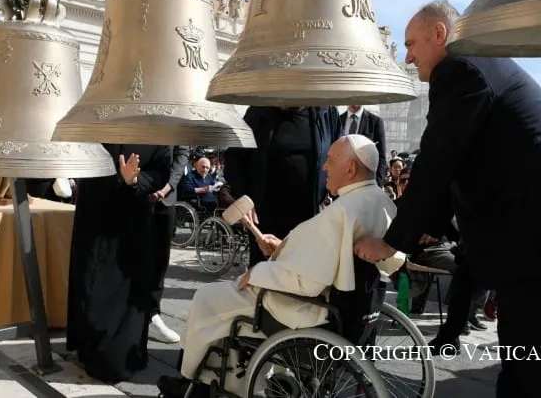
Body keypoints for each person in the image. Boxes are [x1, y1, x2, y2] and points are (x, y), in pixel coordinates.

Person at [354, 0, 541, 398]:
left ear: (440, 33)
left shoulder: (460, 69)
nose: (409, 56)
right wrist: (432, 228)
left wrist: (391, 241)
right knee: (536, 360)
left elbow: (437, 160)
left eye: (412, 43)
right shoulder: (482, 64)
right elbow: (466, 162)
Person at [156, 135, 403, 398]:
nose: (324, 167)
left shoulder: (343, 210)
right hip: (346, 304)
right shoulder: (377, 199)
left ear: (351, 168)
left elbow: (306, 280)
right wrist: (283, 247)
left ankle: (191, 380)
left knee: (207, 298)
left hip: (303, 306)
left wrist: (259, 272)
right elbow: (324, 255)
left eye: (330, 160)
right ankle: (226, 380)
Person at [66, 144, 172, 383]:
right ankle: (87, 347)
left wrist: (134, 180)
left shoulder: (156, 132)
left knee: (128, 290)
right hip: (95, 215)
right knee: (89, 281)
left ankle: (119, 356)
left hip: (132, 225)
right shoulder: (99, 120)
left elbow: (161, 170)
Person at [220, 106, 343, 266]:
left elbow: (340, 155)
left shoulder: (326, 112)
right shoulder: (259, 112)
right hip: (266, 217)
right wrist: (244, 196)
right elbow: (234, 157)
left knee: (305, 274)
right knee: (266, 276)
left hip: (310, 217)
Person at [147, 145, 189, 343]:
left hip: (166, 199)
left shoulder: (178, 119)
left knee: (159, 262)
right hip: (137, 192)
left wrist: (167, 187)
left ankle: (152, 315)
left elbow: (182, 153)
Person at [340, 105, 388, 186]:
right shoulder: (338, 120)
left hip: (366, 182)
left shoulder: (375, 121)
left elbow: (381, 156)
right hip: (342, 182)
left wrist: (378, 183)